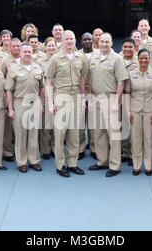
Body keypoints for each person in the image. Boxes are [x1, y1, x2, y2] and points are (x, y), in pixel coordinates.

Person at [46, 30, 88, 177]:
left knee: (74, 133)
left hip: (76, 96)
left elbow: (83, 78)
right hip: (61, 98)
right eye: (67, 39)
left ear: (75, 40)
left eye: (71, 38)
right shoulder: (55, 58)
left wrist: (83, 98)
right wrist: (50, 103)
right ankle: (60, 165)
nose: (69, 41)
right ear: (62, 41)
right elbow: (49, 80)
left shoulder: (80, 57)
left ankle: (72, 164)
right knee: (60, 133)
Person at [87, 32, 129, 177]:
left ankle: (115, 165)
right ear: (98, 43)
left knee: (114, 134)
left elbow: (121, 81)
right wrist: (90, 96)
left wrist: (116, 102)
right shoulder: (94, 57)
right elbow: (90, 79)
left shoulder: (117, 59)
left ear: (112, 43)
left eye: (107, 42)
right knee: (99, 132)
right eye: (102, 41)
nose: (104, 44)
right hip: (96, 98)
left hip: (110, 98)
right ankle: (102, 161)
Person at [5, 44, 44, 173]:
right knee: (20, 134)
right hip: (20, 103)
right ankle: (21, 161)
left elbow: (42, 88)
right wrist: (10, 109)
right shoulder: (13, 69)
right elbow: (9, 90)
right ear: (20, 54)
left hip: (35, 103)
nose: (27, 54)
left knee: (34, 134)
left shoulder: (37, 68)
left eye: (29, 51)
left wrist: (41, 104)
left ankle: (34, 160)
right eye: (25, 52)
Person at [124, 48, 152, 176]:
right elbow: (127, 93)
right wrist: (128, 111)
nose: (144, 60)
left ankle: (148, 165)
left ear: (149, 59)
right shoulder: (131, 74)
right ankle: (136, 165)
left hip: (150, 110)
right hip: (135, 110)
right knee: (135, 139)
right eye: (141, 58)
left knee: (148, 139)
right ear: (138, 59)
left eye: (146, 58)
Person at [0, 38, 22, 163]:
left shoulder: (26, 58)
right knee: (8, 127)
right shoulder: (5, 61)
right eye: (14, 46)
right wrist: (7, 102)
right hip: (10, 96)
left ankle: (21, 149)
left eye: (18, 46)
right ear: (9, 47)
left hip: (22, 96)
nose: (16, 48)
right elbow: (2, 79)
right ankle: (7, 151)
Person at [120, 38, 139, 166]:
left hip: (134, 98)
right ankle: (125, 152)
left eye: (130, 47)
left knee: (133, 128)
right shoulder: (117, 60)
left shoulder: (140, 61)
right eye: (125, 46)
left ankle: (134, 154)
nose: (127, 49)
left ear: (134, 48)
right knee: (121, 126)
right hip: (119, 97)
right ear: (122, 47)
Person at [78, 33, 96, 159]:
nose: (87, 41)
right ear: (81, 41)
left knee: (93, 123)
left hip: (94, 92)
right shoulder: (76, 55)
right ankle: (80, 149)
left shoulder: (99, 54)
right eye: (85, 39)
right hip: (79, 92)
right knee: (79, 123)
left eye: (89, 39)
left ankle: (94, 148)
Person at [38, 37, 57, 160]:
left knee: (57, 125)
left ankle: (55, 149)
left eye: (53, 45)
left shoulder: (60, 59)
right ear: (45, 47)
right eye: (49, 45)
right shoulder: (40, 62)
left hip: (59, 94)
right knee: (46, 124)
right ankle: (45, 150)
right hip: (46, 95)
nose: (51, 48)